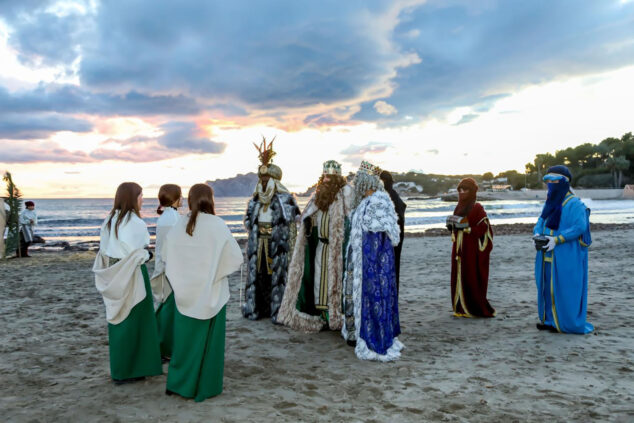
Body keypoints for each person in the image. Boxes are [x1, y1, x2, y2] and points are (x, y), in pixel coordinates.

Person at [163, 184, 243, 401]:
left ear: (189, 200)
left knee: (184, 341)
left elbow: (167, 255)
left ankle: (179, 384)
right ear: (211, 199)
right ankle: (205, 385)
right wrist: (216, 274)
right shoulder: (217, 224)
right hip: (211, 293)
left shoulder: (180, 224)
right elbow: (236, 258)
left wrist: (183, 277)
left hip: (184, 292)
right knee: (209, 344)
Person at [93, 182, 162, 384]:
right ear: (133, 198)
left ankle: (121, 369)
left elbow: (105, 249)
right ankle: (134, 369)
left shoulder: (109, 220)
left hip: (113, 273)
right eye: (141, 196)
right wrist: (147, 255)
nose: (142, 200)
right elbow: (138, 251)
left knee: (119, 320)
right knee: (136, 319)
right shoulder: (134, 222)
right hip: (131, 274)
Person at [278, 160, 354, 332]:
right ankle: (321, 318)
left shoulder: (346, 194)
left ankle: (335, 317)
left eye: (331, 176)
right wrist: (307, 223)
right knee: (319, 281)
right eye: (325, 176)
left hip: (338, 250)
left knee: (336, 282)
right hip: (321, 247)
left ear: (338, 177)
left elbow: (352, 219)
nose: (327, 179)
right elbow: (308, 215)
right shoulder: (319, 195)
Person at [341, 161, 403, 361]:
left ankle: (373, 338)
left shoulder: (378, 202)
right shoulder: (365, 202)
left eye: (358, 182)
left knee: (373, 298)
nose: (355, 185)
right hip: (360, 260)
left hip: (372, 263)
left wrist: (371, 264)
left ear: (364, 183)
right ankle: (357, 333)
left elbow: (378, 239)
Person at [243, 137, 300, 323]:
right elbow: (248, 222)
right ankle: (258, 308)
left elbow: (293, 223)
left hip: (277, 246)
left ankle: (279, 310)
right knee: (259, 276)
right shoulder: (254, 201)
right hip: (259, 244)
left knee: (276, 276)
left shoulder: (285, 201)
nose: (264, 183)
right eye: (262, 179)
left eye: (267, 179)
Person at [533, 165, 593, 334]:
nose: (550, 184)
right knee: (546, 287)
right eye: (548, 181)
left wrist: (558, 239)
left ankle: (563, 322)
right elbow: (541, 220)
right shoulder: (550, 202)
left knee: (565, 289)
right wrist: (537, 233)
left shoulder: (574, 204)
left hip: (565, 255)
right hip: (545, 252)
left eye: (554, 181)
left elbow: (579, 226)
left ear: (564, 182)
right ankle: (549, 320)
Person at [446, 178, 496, 318]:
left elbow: (484, 229)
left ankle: (472, 307)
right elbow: (456, 225)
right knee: (459, 274)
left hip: (471, 247)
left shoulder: (477, 207)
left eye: (465, 189)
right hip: (458, 247)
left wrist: (468, 229)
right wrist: (452, 226)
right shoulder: (459, 207)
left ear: (472, 191)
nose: (462, 192)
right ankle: (460, 307)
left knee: (470, 275)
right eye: (460, 190)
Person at [150, 184, 182, 360]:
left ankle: (166, 346)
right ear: (176, 198)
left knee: (168, 308)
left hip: (168, 266)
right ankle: (164, 348)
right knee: (168, 309)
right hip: (170, 268)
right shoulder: (171, 219)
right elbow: (171, 247)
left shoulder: (168, 216)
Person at [379, 171, 407, 295]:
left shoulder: (387, 196)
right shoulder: (392, 195)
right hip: (396, 237)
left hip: (390, 238)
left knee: (388, 267)